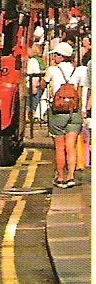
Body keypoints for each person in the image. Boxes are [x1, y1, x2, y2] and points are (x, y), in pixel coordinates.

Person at [44, 41, 87, 188]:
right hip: (74, 112)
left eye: (56, 55)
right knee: (71, 146)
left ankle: (61, 178)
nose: (54, 57)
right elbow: (81, 93)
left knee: (59, 146)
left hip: (58, 112)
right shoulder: (81, 70)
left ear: (61, 57)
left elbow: (42, 85)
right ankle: (71, 177)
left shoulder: (52, 70)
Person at [25, 44, 48, 122]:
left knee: (32, 102)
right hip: (34, 84)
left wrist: (34, 86)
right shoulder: (37, 60)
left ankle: (33, 117)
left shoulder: (33, 61)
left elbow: (36, 74)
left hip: (32, 84)